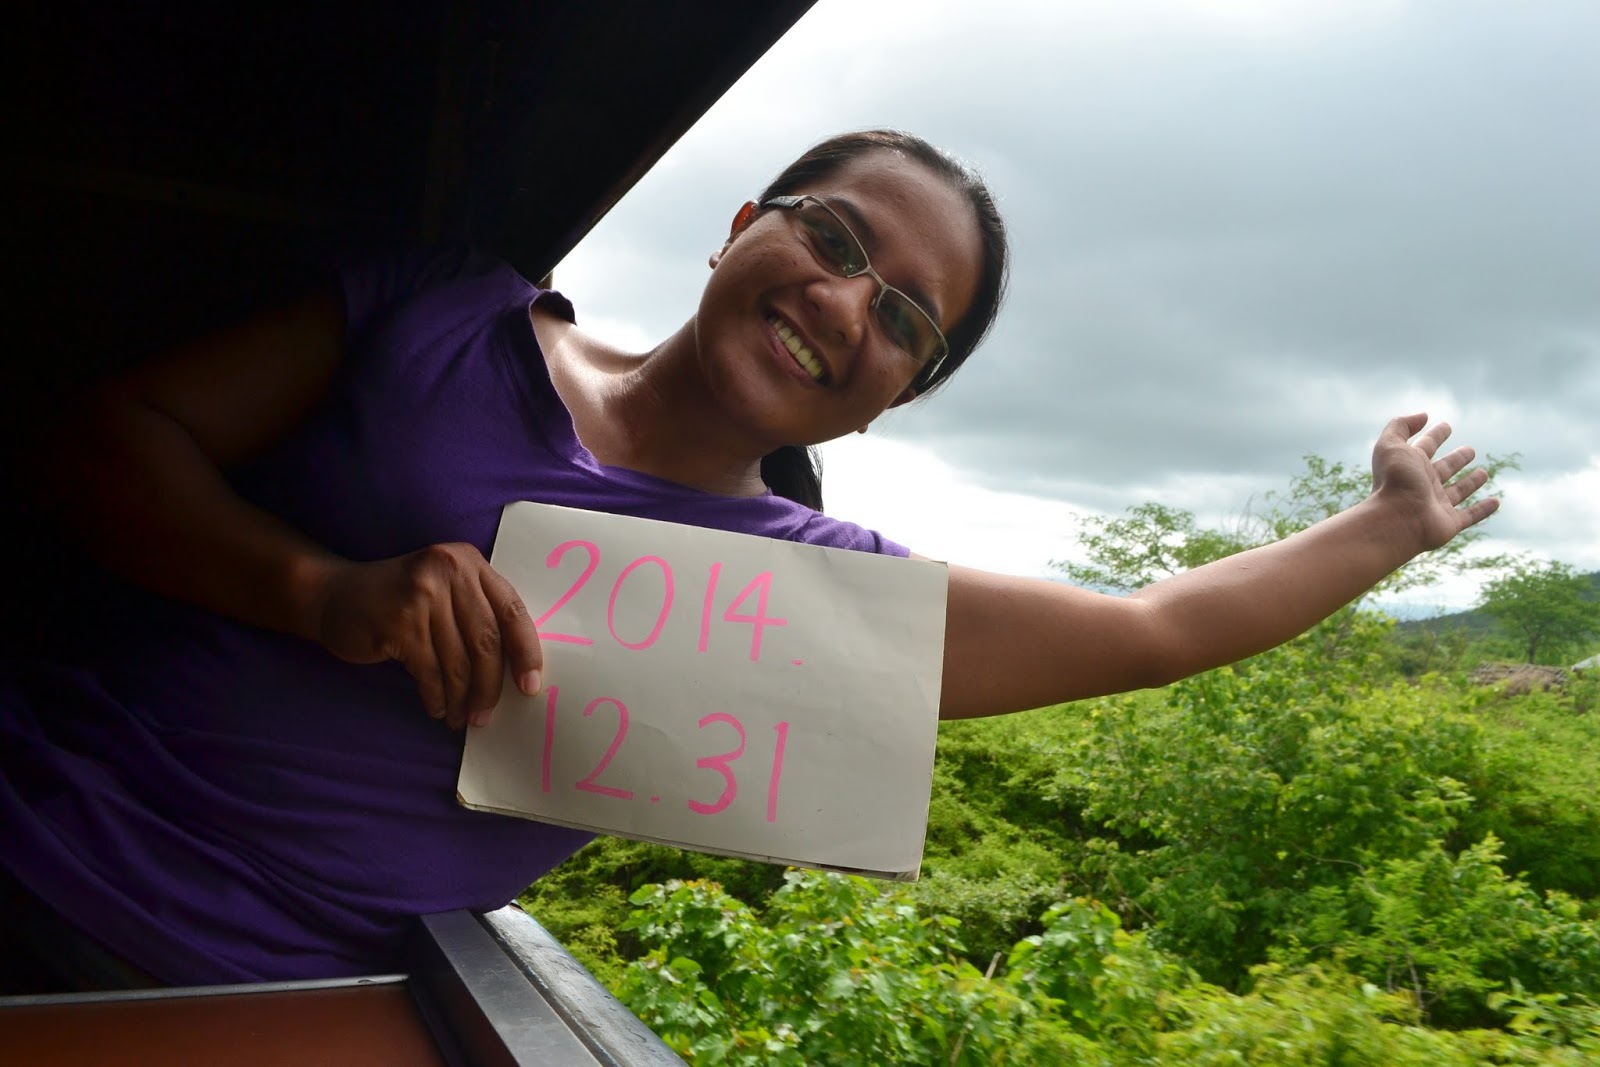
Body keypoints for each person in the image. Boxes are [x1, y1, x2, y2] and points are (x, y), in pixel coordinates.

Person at [0, 130, 1497, 990]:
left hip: (283, 1003)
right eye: (836, 241)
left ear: (898, 393)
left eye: (904, 319)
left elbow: (1153, 627)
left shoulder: (808, 603)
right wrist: (318, 590)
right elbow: (95, 442)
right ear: (739, 228)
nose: (848, 304)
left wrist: (1388, 524)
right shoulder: (448, 312)